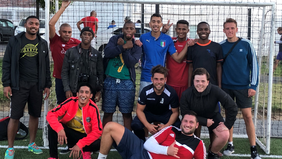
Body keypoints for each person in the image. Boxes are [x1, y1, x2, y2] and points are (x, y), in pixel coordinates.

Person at [2, 16, 51, 159]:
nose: (34, 26)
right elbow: (6, 63)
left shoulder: (42, 44)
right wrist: (6, 84)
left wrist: (47, 84)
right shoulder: (15, 41)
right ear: (25, 25)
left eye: (36, 24)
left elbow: (46, 67)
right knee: (15, 116)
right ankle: (10, 148)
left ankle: (32, 143)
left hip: (37, 85)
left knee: (35, 115)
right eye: (31, 23)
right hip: (19, 85)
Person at [220, 18, 260, 159]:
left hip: (244, 87)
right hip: (226, 87)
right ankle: (230, 144)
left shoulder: (246, 44)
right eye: (227, 28)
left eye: (232, 28)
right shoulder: (221, 46)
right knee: (229, 116)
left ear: (236, 29)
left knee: (247, 117)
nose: (230, 31)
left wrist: (253, 85)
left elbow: (254, 65)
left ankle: (253, 148)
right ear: (223, 30)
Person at [180, 68, 238, 159]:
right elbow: (184, 114)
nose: (200, 84)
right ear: (193, 81)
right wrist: (204, 121)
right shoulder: (186, 94)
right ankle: (190, 149)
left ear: (207, 82)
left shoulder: (215, 90)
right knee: (184, 127)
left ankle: (213, 152)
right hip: (194, 118)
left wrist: (227, 124)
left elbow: (233, 107)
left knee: (224, 134)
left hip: (213, 115)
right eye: (197, 81)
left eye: (203, 81)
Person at [97, 111, 206, 159]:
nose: (187, 124)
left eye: (191, 122)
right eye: (185, 121)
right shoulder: (171, 129)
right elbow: (148, 144)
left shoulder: (198, 144)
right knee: (110, 126)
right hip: (142, 151)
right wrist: (166, 150)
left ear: (197, 125)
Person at [102, 21, 142, 130]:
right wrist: (122, 47)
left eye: (131, 28)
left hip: (127, 82)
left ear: (134, 31)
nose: (129, 30)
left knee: (127, 113)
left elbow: (130, 62)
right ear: (123, 30)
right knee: (107, 112)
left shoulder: (136, 45)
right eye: (126, 28)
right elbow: (108, 53)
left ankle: (127, 139)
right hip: (110, 80)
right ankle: (105, 137)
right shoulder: (114, 40)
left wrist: (125, 49)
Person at [47, 83, 102, 159]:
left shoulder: (93, 108)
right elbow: (51, 114)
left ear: (91, 96)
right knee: (51, 127)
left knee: (99, 143)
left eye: (86, 92)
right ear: (77, 94)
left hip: (84, 137)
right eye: (81, 92)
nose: (83, 95)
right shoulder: (70, 101)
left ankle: (86, 151)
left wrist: (80, 144)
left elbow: (98, 131)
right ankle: (53, 157)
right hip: (69, 135)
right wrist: (59, 129)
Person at [139, 13, 188, 93]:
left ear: (161, 24)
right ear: (150, 23)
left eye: (158, 22)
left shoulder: (167, 39)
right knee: (144, 103)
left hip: (160, 78)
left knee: (159, 104)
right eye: (153, 21)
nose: (156, 24)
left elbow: (178, 59)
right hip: (146, 77)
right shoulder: (143, 37)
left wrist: (187, 45)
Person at [131, 65, 181, 141]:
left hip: (165, 114)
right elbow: (139, 110)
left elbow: (175, 112)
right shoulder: (145, 91)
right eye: (156, 79)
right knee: (135, 125)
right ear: (152, 79)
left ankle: (172, 143)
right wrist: (148, 126)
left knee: (179, 126)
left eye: (161, 79)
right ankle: (142, 143)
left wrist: (166, 126)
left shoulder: (171, 92)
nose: (158, 82)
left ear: (165, 80)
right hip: (149, 113)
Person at [49, 0, 81, 105]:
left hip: (74, 78)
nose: (67, 34)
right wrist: (63, 7)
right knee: (61, 104)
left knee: (74, 104)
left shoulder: (76, 43)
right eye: (64, 32)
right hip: (60, 78)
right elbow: (51, 23)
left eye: (69, 32)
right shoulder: (55, 41)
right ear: (59, 32)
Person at [61, 27, 103, 103]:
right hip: (74, 89)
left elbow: (100, 74)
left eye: (89, 34)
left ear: (92, 37)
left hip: (90, 91)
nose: (86, 36)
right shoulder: (70, 52)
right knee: (72, 113)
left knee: (88, 114)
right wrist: (67, 89)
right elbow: (64, 72)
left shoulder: (97, 54)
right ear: (80, 36)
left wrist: (99, 91)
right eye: (84, 34)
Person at [187, 21, 223, 88]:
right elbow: (190, 67)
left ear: (209, 31)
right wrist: (189, 86)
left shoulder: (217, 47)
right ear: (197, 32)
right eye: (201, 29)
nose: (203, 31)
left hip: (212, 84)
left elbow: (219, 67)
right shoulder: (191, 48)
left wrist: (219, 85)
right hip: (197, 84)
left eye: (206, 29)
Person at [166, 20, 194, 99]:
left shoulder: (192, 43)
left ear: (188, 30)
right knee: (171, 110)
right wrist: (163, 31)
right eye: (179, 29)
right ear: (176, 29)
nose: (181, 31)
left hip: (185, 84)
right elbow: (158, 39)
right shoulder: (170, 41)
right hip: (170, 83)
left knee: (185, 110)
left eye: (184, 29)